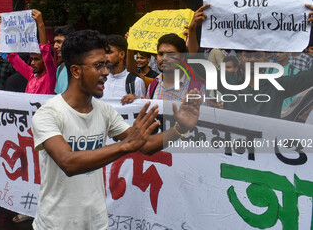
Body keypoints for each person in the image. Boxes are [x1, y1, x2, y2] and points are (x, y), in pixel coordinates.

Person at [31, 29, 200, 230]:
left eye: (105, 64)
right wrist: (125, 146)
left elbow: (144, 146)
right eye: (98, 66)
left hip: (97, 223)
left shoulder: (104, 111)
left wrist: (180, 129)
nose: (105, 72)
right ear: (76, 71)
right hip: (55, 225)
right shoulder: (48, 113)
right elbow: (68, 162)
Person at [146, 33, 207, 103]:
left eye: (171, 54)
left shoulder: (197, 88)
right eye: (160, 54)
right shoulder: (153, 85)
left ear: (182, 57)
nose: (164, 58)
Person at [103, 34, 146, 105]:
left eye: (109, 52)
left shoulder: (136, 82)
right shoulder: (97, 81)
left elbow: (141, 109)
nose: (105, 56)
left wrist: (135, 100)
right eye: (104, 53)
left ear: (122, 55)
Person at [53, 25, 75, 94]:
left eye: (59, 42)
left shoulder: (84, 69)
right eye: (55, 42)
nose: (55, 46)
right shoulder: (60, 69)